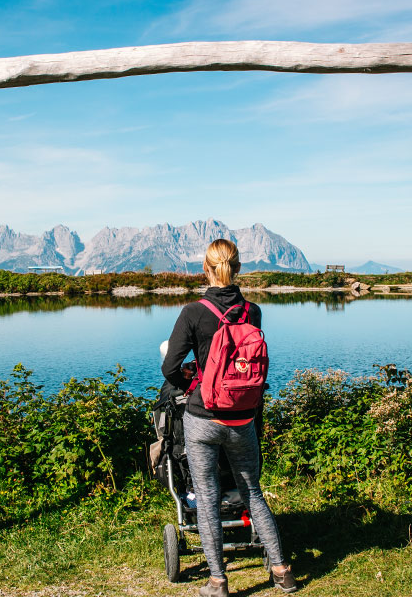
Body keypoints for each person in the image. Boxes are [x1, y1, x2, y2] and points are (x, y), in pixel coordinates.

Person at [162, 238, 297, 597]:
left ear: (205, 268)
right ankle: (283, 572)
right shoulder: (252, 312)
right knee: (252, 491)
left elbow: (169, 367)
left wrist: (195, 382)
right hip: (242, 417)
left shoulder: (193, 312)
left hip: (203, 417)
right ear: (238, 269)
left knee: (206, 496)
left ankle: (218, 581)